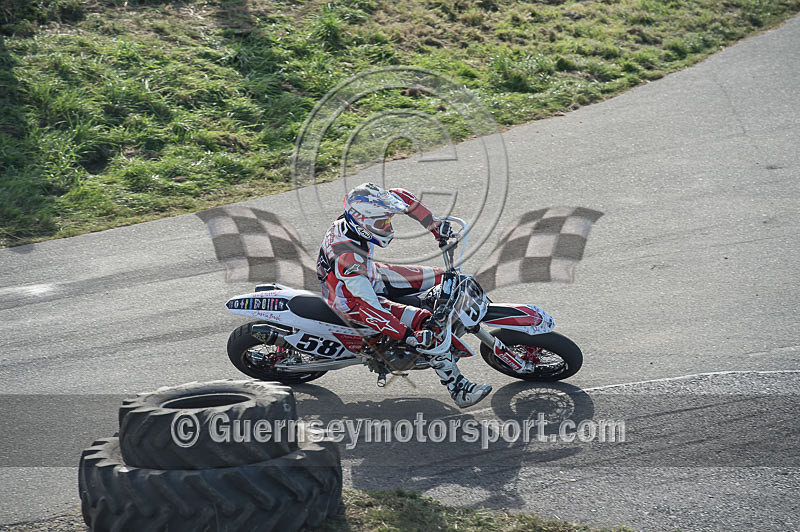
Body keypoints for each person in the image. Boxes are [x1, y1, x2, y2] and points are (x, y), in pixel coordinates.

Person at [316, 182, 492, 408]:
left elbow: (400, 197)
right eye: (382, 223)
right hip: (351, 301)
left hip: (370, 275)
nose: (388, 227)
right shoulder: (348, 257)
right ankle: (457, 387)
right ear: (362, 223)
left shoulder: (353, 217)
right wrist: (409, 335)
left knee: (445, 277)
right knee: (428, 328)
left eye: (388, 220)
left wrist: (434, 225)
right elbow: (369, 308)